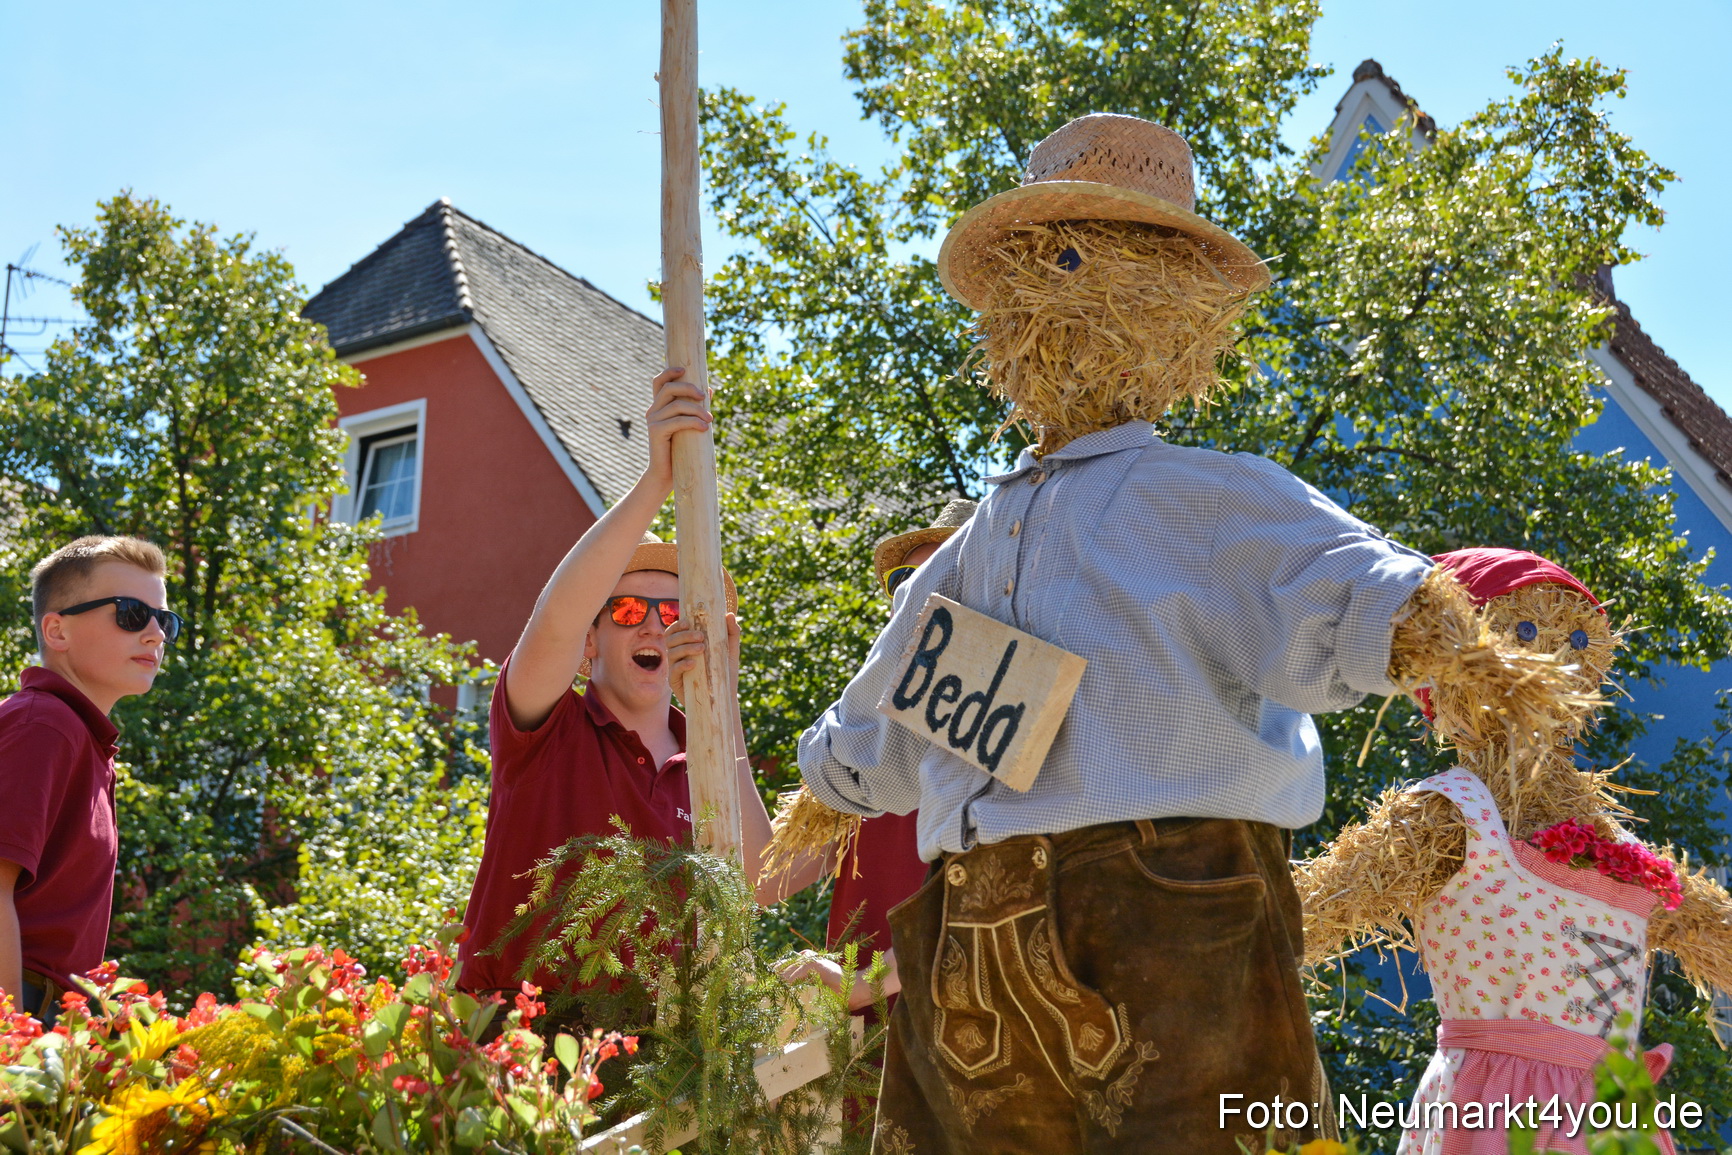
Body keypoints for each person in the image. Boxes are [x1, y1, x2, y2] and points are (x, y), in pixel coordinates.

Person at [792, 114, 1580, 1154]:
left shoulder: (1204, 496)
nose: (1047, 297)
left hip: (1166, 899)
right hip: (977, 923)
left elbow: (1348, 580)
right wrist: (833, 778)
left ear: (1176, 307)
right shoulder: (979, 538)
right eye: (1029, 271)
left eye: (1075, 261)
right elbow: (894, 701)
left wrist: (1443, 638)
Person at [1296, 548, 1732, 1155]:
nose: (1559, 654)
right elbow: (1302, 918)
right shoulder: (1453, 815)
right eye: (1525, 629)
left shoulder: (1626, 849)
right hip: (1498, 1108)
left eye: (1581, 638)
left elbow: (1715, 933)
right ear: (1455, 652)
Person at [458, 367, 777, 1021]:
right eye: (629, 609)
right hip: (522, 1051)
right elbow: (552, 620)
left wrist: (721, 707)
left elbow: (760, 878)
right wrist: (656, 480)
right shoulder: (548, 731)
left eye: (673, 611)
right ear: (590, 644)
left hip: (658, 1073)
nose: (655, 623)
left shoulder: (705, 761)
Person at [776, 499, 980, 1013]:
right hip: (858, 1060)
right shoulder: (859, 740)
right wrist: (718, 689)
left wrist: (865, 983)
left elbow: (999, 905)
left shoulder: (1012, 726)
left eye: (941, 574)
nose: (916, 596)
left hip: (967, 1055)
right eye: (905, 581)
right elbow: (765, 881)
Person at [0, 536, 177, 1026]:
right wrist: (13, 1048)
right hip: (22, 1020)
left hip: (55, 1017)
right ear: (56, 631)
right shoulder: (43, 725)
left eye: (164, 620)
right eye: (129, 613)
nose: (155, 634)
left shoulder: (78, 737)